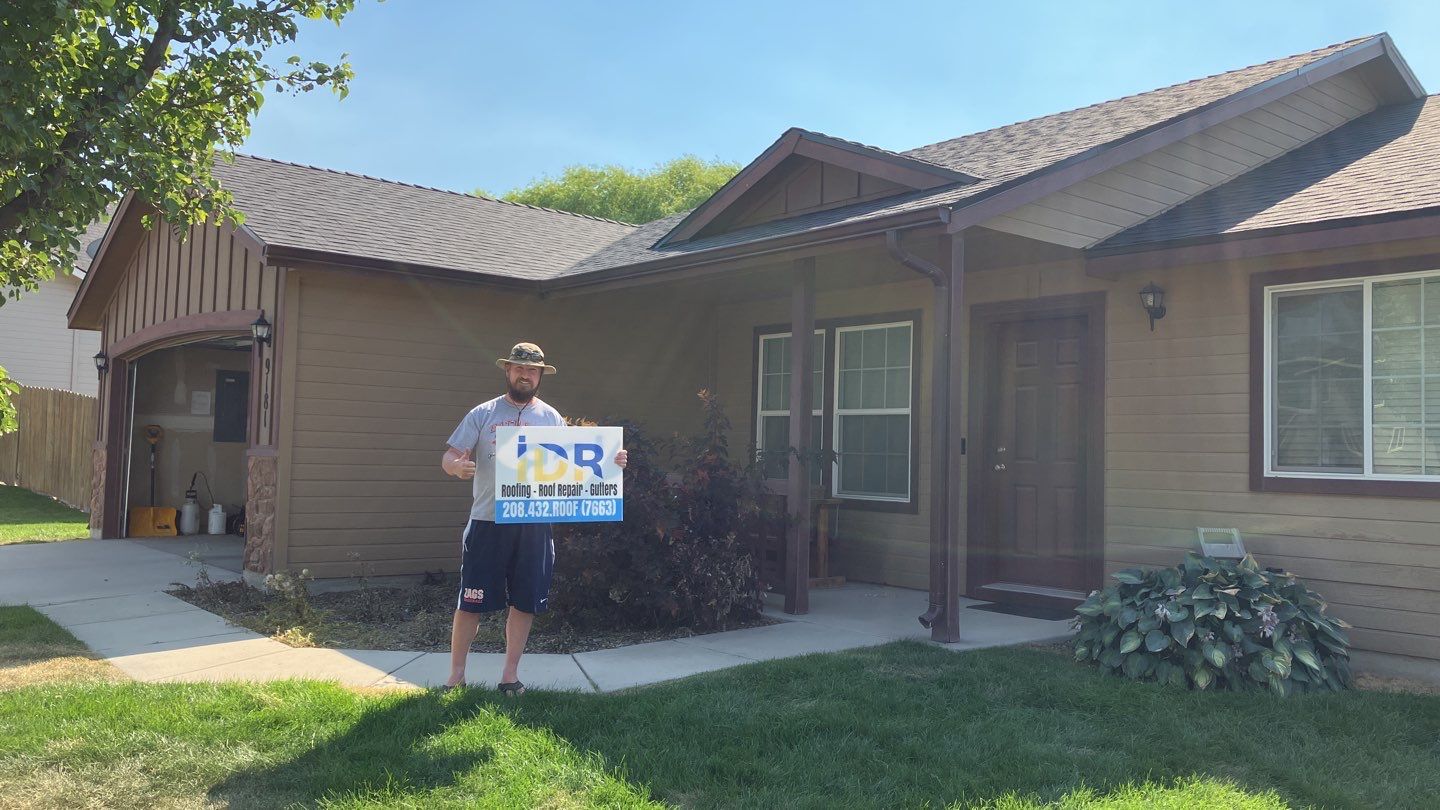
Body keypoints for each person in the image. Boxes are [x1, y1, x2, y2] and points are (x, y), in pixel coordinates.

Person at [440, 341, 625, 695]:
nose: (525, 375)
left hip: (533, 523)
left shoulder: (551, 417)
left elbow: (572, 463)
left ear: (540, 376)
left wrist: (611, 462)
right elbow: (450, 456)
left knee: (525, 601)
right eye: (519, 368)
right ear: (508, 371)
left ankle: (509, 676)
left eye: (532, 370)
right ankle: (456, 676)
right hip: (487, 521)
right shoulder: (483, 413)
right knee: (470, 601)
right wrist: (456, 467)